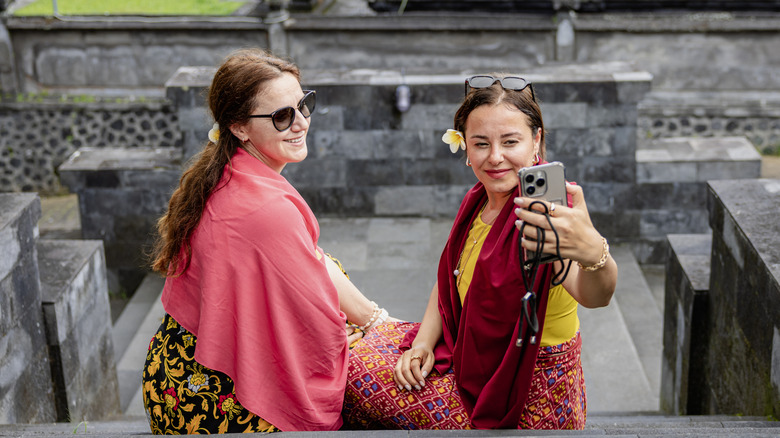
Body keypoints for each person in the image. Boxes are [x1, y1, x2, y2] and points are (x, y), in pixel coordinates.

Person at [342, 74, 617, 430]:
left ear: (537, 141)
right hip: (473, 359)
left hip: (526, 395)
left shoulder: (546, 216)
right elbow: (450, 280)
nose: (496, 157)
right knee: (353, 344)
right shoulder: (478, 202)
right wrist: (423, 344)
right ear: (465, 148)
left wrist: (594, 253)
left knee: (347, 373)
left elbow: (595, 294)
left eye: (510, 141)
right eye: (481, 143)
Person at [142, 48, 391, 433]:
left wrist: (375, 319)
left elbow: (310, 260)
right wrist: (375, 331)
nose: (300, 123)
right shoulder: (264, 209)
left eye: (303, 105)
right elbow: (315, 323)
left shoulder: (223, 173)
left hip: (173, 376)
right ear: (239, 127)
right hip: (215, 400)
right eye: (281, 116)